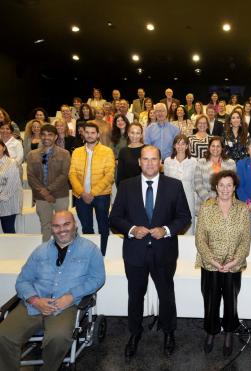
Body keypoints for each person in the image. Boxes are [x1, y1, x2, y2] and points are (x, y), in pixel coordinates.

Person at [109, 145, 191, 360]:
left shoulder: (174, 186)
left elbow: (184, 217)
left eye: (154, 159)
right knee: (135, 296)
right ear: (139, 162)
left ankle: (169, 332)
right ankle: (134, 334)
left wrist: (165, 230)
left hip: (164, 251)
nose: (150, 163)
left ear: (160, 162)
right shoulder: (126, 186)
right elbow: (115, 218)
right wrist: (131, 230)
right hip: (135, 253)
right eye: (145, 159)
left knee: (166, 295)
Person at [0, 210, 105, 371]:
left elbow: (97, 278)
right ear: (51, 228)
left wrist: (71, 296)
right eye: (56, 226)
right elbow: (23, 280)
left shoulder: (90, 250)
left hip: (65, 307)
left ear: (75, 225)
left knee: (59, 338)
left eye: (66, 224)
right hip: (34, 304)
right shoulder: (40, 251)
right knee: (4, 335)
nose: (62, 229)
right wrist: (35, 300)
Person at [195, 170, 250, 356]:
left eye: (229, 185)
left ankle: (228, 332)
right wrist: (212, 259)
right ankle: (211, 331)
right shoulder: (206, 207)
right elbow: (200, 238)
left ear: (234, 187)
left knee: (230, 300)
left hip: (233, 265)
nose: (225, 189)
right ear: (215, 187)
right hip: (210, 264)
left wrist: (235, 260)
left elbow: (245, 239)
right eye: (221, 185)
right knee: (210, 301)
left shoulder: (242, 208)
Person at [69, 123, 115, 255]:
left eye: (93, 133)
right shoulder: (77, 152)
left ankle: (104, 252)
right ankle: (91, 253)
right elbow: (72, 174)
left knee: (103, 225)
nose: (89, 135)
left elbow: (109, 175)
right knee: (86, 226)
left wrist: (92, 193)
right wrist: (82, 193)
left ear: (98, 135)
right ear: (83, 134)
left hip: (101, 195)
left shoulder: (107, 151)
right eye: (87, 132)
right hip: (81, 195)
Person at [27, 125, 71, 241]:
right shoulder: (32, 154)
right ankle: (47, 253)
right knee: (46, 226)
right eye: (44, 134)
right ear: (40, 136)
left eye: (50, 134)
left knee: (63, 225)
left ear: (56, 137)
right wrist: (45, 193)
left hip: (60, 195)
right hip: (41, 196)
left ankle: (63, 251)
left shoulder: (65, 153)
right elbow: (31, 176)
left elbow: (64, 175)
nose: (46, 137)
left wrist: (48, 190)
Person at [164, 134, 197, 233]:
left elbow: (195, 183)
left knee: (189, 226)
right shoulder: (168, 161)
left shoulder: (194, 161)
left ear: (187, 146)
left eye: (183, 144)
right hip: (172, 198)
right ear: (174, 145)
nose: (180, 146)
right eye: (178, 144)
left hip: (189, 197)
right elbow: (165, 182)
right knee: (172, 225)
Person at [195, 137, 236, 214]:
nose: (215, 148)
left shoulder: (231, 163)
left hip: (226, 204)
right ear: (209, 147)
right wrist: (209, 200)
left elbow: (233, 184)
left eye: (218, 146)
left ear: (222, 148)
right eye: (213, 146)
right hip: (205, 203)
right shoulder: (201, 162)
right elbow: (198, 184)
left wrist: (222, 200)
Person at [0, 140, 22, 233]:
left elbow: (12, 185)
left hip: (8, 203)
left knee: (8, 231)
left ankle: (14, 248)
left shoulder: (11, 163)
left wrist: (1, 197)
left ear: (4, 148)